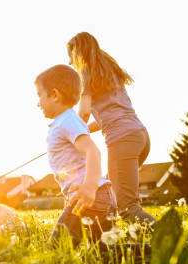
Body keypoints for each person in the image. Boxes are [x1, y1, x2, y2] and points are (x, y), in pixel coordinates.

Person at [67, 32, 156, 225]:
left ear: (78, 54)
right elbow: (105, 118)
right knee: (111, 192)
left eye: (70, 56)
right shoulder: (108, 71)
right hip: (140, 136)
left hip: (123, 140)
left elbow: (82, 113)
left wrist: (71, 134)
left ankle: (175, 243)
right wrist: (86, 130)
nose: (69, 62)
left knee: (128, 209)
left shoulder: (85, 73)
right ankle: (108, 236)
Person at [34, 64, 117, 247]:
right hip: (101, 197)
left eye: (39, 95)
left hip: (89, 199)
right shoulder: (67, 121)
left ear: (54, 95)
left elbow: (93, 151)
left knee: (57, 251)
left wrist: (89, 187)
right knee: (106, 255)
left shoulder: (67, 121)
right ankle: (160, 253)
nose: (37, 102)